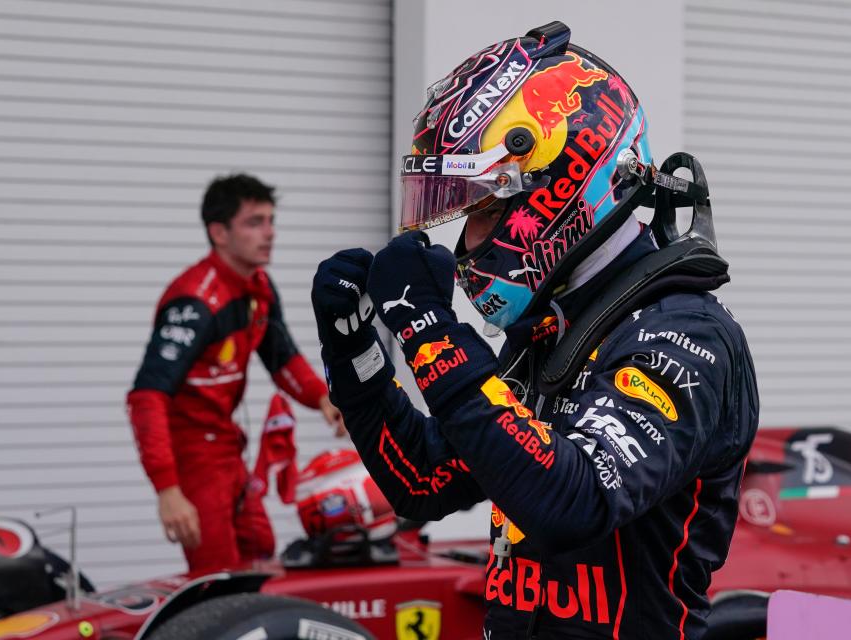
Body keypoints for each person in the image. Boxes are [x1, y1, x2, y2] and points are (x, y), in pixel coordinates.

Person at [311, 22, 758, 639]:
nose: (466, 243)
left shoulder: (686, 332)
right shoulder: (553, 328)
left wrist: (431, 331)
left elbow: (574, 502)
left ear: (563, 186)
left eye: (486, 211)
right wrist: (358, 354)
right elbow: (423, 481)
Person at [127, 173, 344, 573]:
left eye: (271, 220)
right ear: (219, 233)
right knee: (216, 579)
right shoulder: (194, 301)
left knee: (260, 551)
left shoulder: (257, 285)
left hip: (229, 449)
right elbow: (146, 397)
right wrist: (168, 491)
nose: (270, 233)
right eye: (254, 222)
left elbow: (282, 357)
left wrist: (322, 399)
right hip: (194, 459)